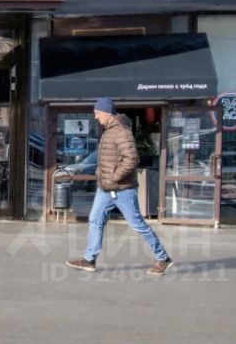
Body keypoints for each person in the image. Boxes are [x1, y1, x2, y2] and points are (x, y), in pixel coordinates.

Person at [67, 98, 172, 276]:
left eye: (98, 113)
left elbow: (131, 159)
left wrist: (114, 177)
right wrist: (103, 175)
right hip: (106, 188)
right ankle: (89, 259)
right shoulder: (109, 130)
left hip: (122, 188)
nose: (96, 117)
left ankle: (162, 258)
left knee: (137, 224)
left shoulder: (121, 131)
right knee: (95, 219)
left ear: (107, 112)